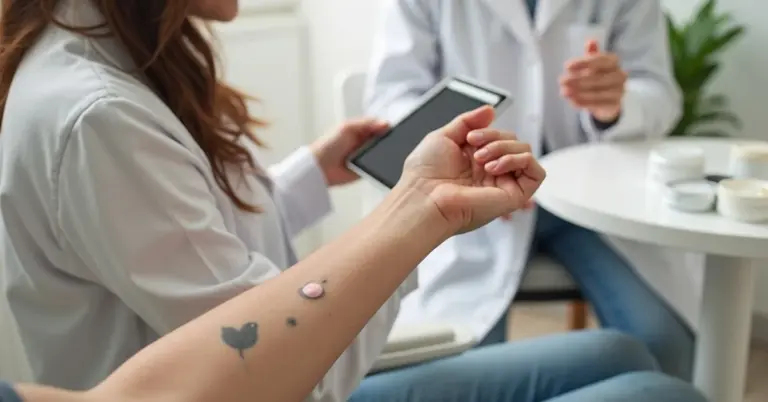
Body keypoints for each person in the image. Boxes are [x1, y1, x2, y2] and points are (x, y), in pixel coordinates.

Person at [0, 0, 709, 401]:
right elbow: (259, 356)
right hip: (278, 388)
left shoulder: (120, 66)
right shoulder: (96, 116)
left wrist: (314, 171)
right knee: (661, 395)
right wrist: (420, 212)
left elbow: (198, 240)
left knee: (628, 345)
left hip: (566, 197)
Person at [365, 0, 700, 381]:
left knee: (663, 344)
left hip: (592, 202)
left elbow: (659, 92)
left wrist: (617, 104)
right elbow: (391, 98)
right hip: (473, 204)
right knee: (463, 365)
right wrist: (466, 157)